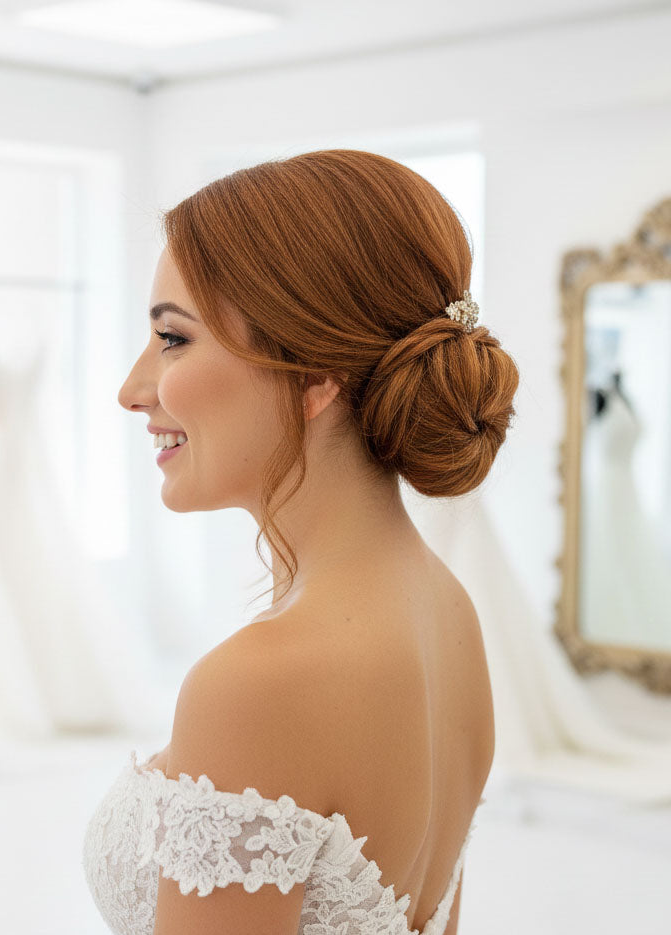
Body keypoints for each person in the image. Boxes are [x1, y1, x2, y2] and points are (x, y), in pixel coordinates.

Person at [86, 149, 519, 935]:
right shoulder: (447, 611)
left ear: (314, 373)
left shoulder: (258, 681)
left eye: (173, 338)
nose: (132, 387)